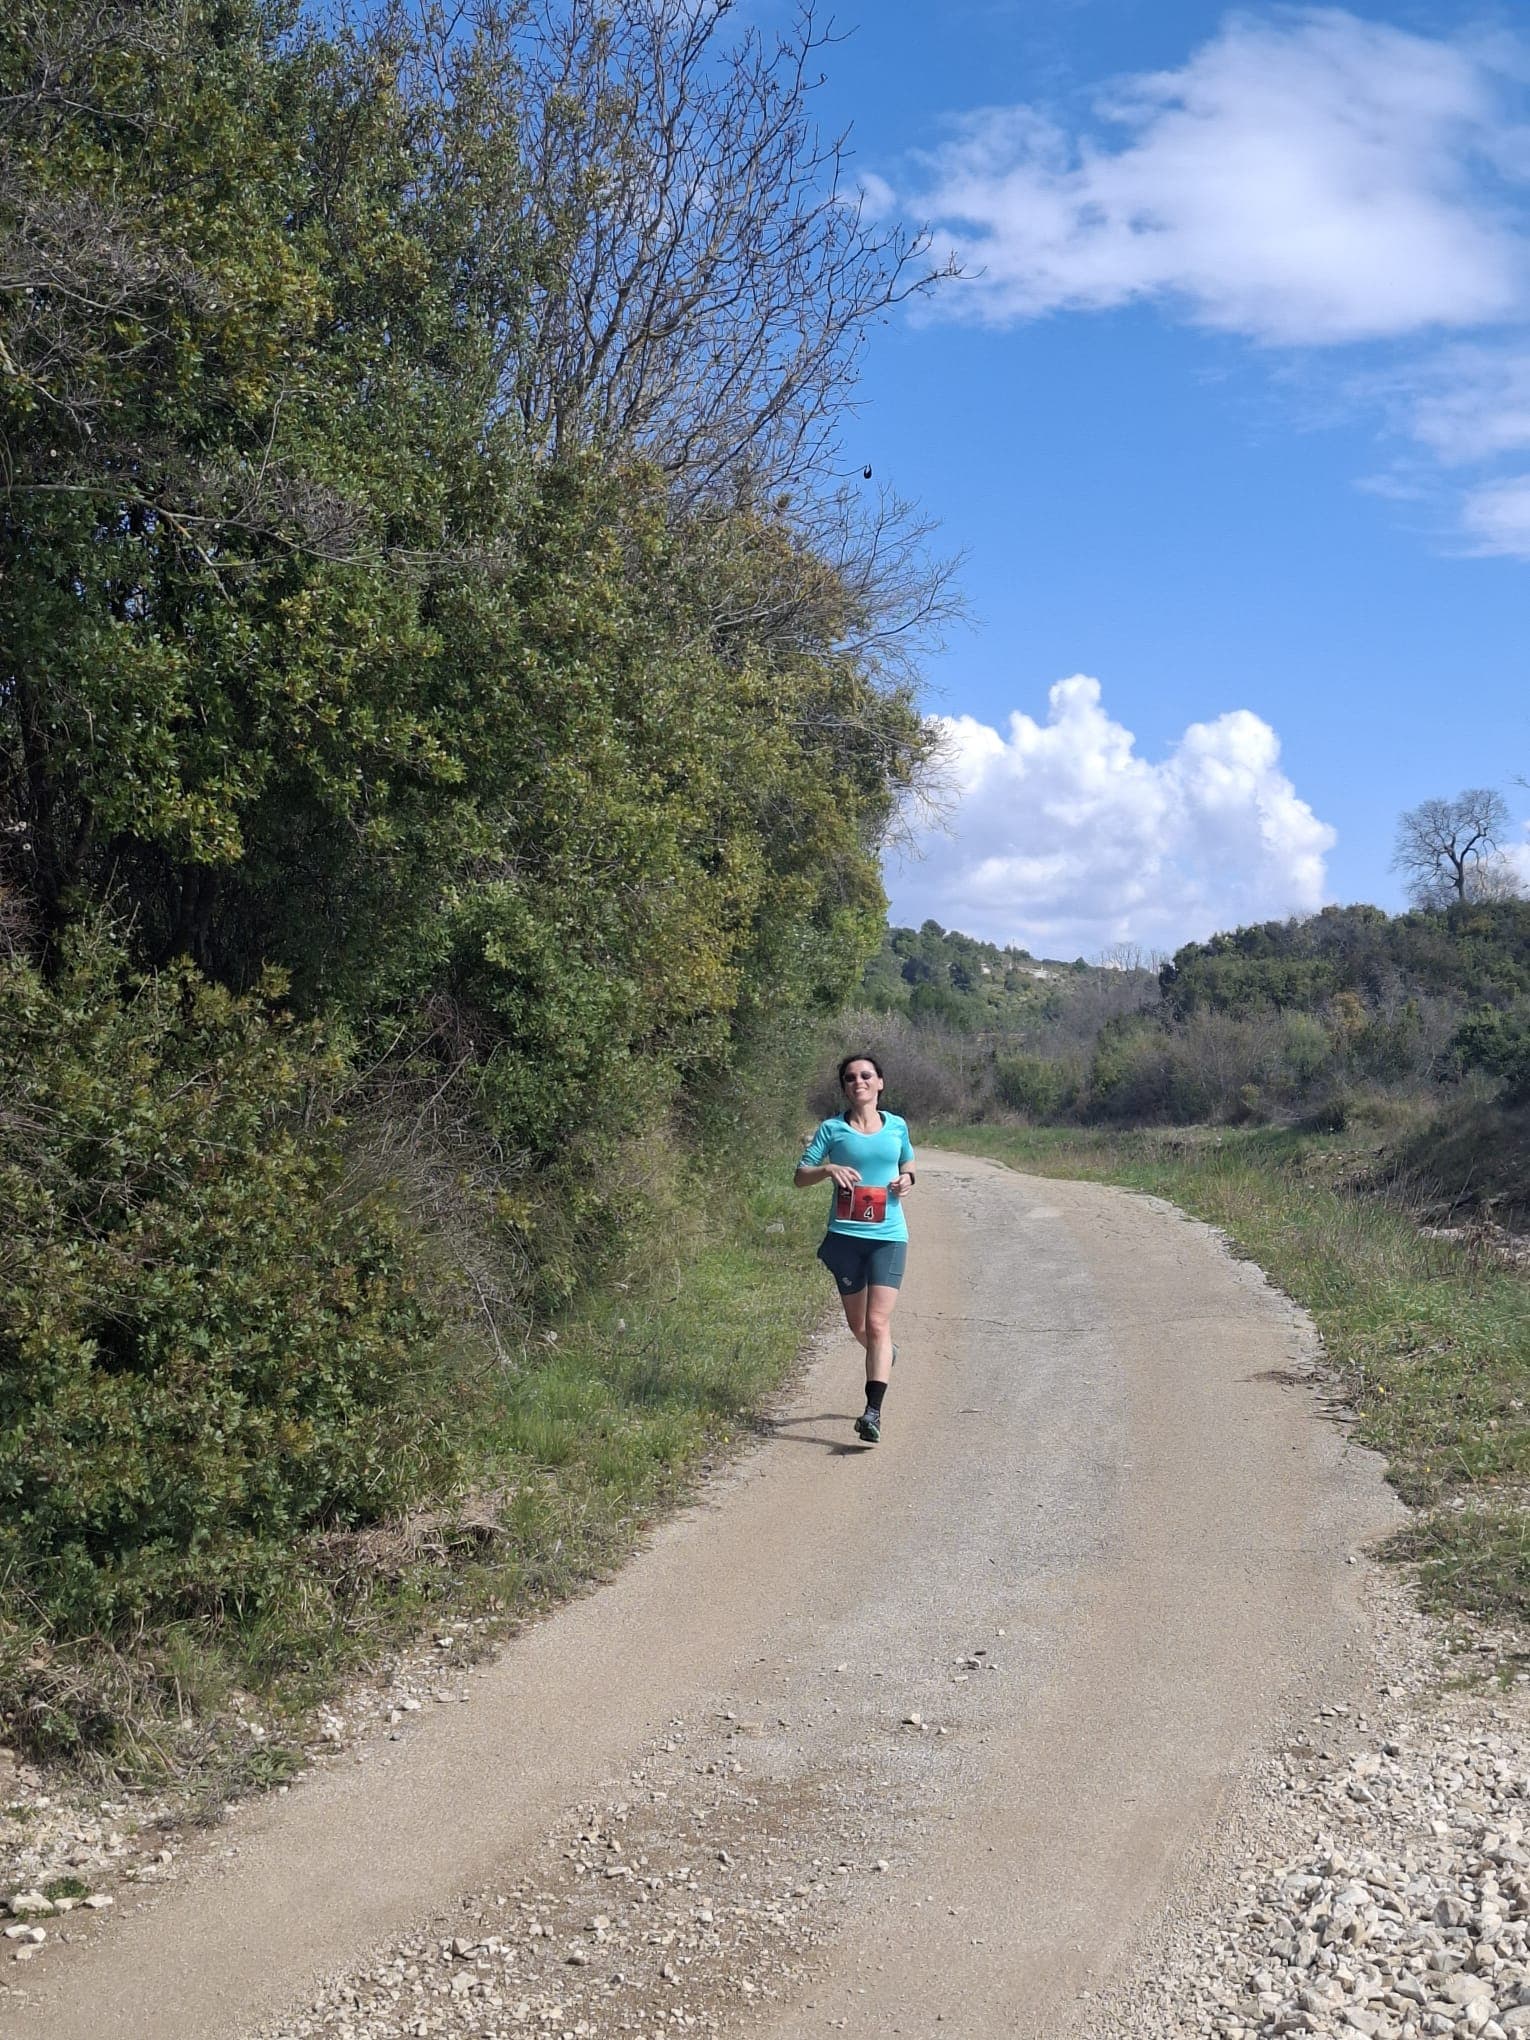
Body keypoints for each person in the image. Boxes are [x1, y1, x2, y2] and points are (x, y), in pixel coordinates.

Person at [794, 1053, 916, 1445]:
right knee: (859, 1326)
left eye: (866, 1075)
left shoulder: (896, 1125)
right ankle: (885, 1353)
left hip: (888, 1237)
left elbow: (908, 1162)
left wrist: (907, 1179)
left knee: (877, 1322)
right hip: (845, 1238)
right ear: (845, 1088)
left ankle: (872, 1412)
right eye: (850, 1078)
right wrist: (827, 1169)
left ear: (880, 1082)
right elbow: (800, 1176)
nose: (858, 1081)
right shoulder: (832, 1130)